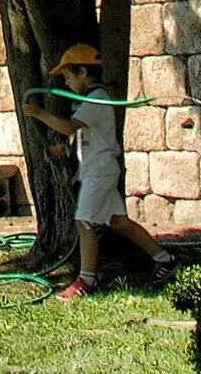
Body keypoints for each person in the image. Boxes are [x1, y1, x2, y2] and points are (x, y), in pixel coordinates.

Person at [23, 43, 168, 300]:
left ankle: (86, 280)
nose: (66, 83)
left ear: (82, 72)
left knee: (84, 221)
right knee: (118, 222)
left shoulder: (96, 98)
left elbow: (71, 128)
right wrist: (61, 150)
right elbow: (84, 135)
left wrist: (39, 113)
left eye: (67, 76)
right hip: (99, 168)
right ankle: (165, 260)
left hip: (100, 171)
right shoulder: (88, 101)